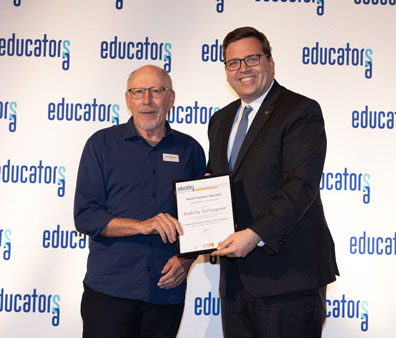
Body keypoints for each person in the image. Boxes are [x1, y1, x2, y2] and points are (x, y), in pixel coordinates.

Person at [207, 27, 339, 338]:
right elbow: (220, 182)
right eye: (233, 63)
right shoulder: (221, 120)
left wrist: (254, 235)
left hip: (288, 277)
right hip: (236, 283)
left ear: (270, 62)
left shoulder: (300, 111)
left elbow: (300, 185)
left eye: (252, 58)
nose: (244, 69)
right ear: (226, 71)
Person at [74, 65, 206, 338]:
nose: (147, 100)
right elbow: (86, 216)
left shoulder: (190, 150)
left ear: (171, 98)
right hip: (110, 291)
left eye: (157, 91)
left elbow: (201, 219)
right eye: (139, 92)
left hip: (165, 293)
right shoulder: (101, 145)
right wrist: (143, 226)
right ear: (128, 99)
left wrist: (186, 258)